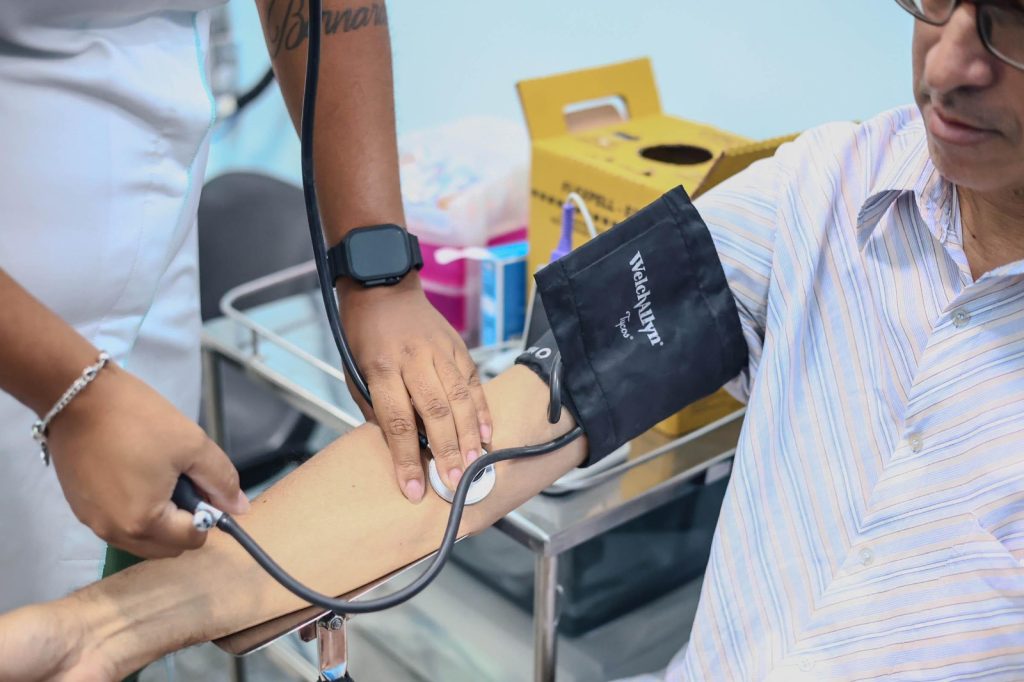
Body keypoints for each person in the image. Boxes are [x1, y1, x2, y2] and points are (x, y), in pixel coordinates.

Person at [3, 0, 1024, 679]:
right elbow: (498, 429)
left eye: (1012, 22)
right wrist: (108, 625)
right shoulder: (827, 193)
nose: (948, 64)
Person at [0, 0, 490, 617]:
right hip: (18, 338)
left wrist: (379, 274)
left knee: (142, 606)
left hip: (154, 268)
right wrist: (70, 394)